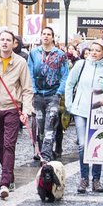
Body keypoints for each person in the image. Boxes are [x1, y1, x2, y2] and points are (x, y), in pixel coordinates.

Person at [0, 31, 34, 199]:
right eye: (2, 40)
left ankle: (4, 183)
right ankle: (10, 175)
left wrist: (26, 111)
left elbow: (27, 89)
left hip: (12, 108)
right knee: (0, 145)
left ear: (14, 43)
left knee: (9, 145)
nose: (5, 43)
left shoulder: (20, 63)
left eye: (8, 40)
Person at [64, 41, 103, 193]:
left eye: (97, 50)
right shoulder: (80, 65)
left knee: (97, 144)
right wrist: (70, 104)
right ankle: (84, 178)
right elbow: (70, 84)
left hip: (99, 112)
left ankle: (96, 179)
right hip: (80, 110)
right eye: (92, 50)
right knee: (82, 144)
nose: (93, 53)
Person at [27, 26, 69, 163]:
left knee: (50, 124)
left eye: (48, 34)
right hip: (38, 94)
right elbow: (30, 73)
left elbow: (64, 75)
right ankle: (41, 151)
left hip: (53, 95)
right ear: (40, 36)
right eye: (43, 34)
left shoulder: (60, 55)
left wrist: (59, 92)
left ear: (52, 37)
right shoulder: (34, 53)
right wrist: (33, 90)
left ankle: (45, 156)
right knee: (40, 125)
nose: (46, 36)